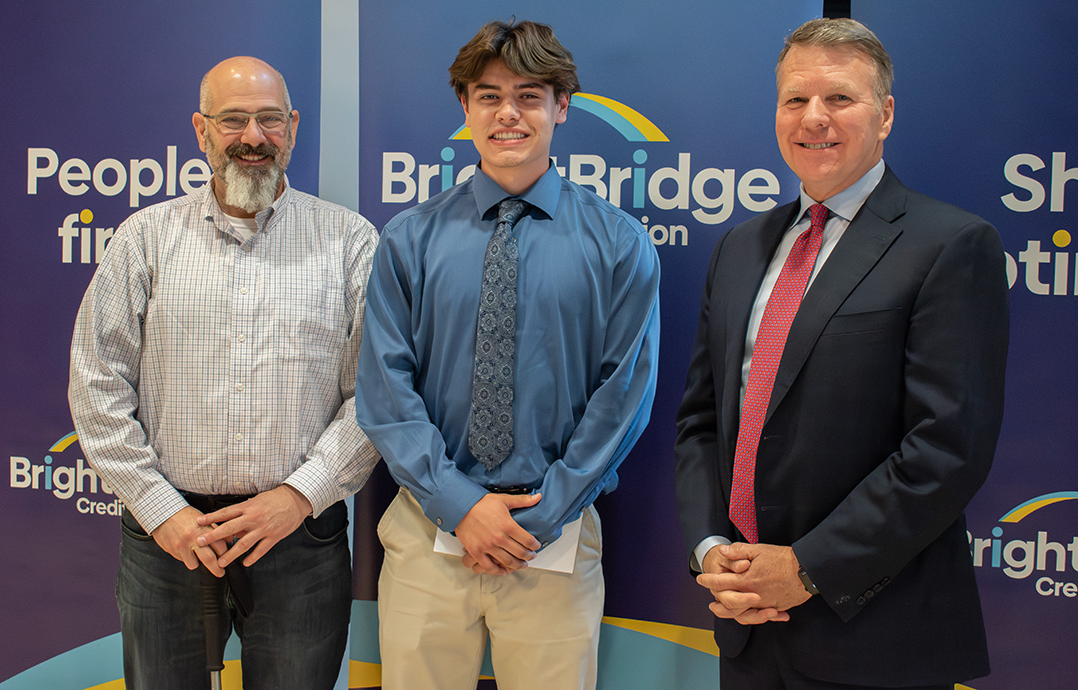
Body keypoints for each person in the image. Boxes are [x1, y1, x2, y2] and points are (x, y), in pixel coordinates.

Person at [674, 18, 1009, 690]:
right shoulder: (740, 248)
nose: (814, 118)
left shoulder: (950, 245)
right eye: (795, 99)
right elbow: (702, 423)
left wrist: (803, 569)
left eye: (840, 98)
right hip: (747, 628)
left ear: (885, 114)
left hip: (877, 637)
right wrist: (713, 550)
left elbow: (946, 449)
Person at [355, 19, 660, 690]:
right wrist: (460, 505)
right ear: (465, 109)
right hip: (429, 535)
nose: (509, 114)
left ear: (562, 107)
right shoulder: (410, 239)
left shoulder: (619, 243)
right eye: (489, 96)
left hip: (553, 536)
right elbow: (385, 389)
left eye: (529, 94)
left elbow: (624, 395)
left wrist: (543, 514)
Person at [68, 56, 379, 689]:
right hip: (167, 539)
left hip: (301, 539)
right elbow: (97, 384)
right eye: (232, 119)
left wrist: (299, 496)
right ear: (201, 130)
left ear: (292, 126)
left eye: (269, 119)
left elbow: (375, 396)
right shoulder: (143, 239)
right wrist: (163, 510)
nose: (253, 137)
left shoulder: (350, 242)